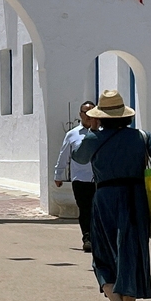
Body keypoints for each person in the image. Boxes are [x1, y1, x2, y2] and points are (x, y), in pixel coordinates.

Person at [72, 90, 151, 301]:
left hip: (105, 198)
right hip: (135, 197)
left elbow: (79, 157)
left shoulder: (94, 138)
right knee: (131, 256)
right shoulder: (141, 137)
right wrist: (149, 175)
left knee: (102, 257)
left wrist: (93, 131)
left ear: (100, 117)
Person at [54, 101, 98, 252]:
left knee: (98, 210)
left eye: (92, 112)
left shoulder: (102, 133)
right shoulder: (72, 134)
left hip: (100, 179)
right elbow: (64, 155)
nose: (88, 115)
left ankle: (99, 238)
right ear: (80, 114)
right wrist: (58, 174)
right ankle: (87, 238)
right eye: (85, 112)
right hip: (81, 179)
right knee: (85, 209)